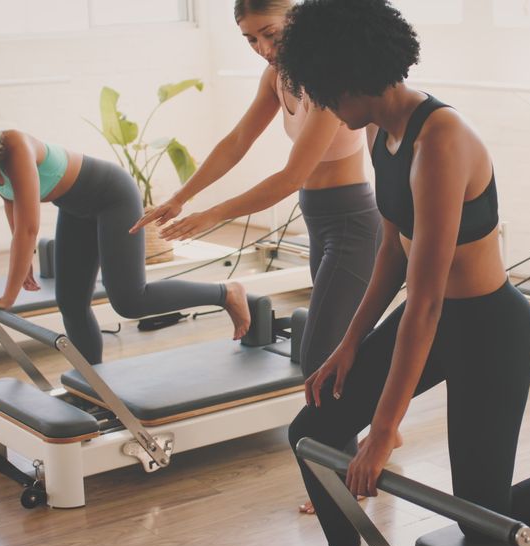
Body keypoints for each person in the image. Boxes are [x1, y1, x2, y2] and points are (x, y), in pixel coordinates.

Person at [277, 0, 530, 546]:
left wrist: (385, 430)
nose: (323, 106)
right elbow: (391, 251)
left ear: (352, 77)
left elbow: (427, 300)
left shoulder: (440, 142)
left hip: (490, 331)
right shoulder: (379, 133)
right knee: (309, 434)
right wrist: (350, 345)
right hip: (438, 321)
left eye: (325, 90)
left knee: (482, 517)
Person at [131, 0, 402, 513]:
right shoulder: (278, 78)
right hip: (322, 221)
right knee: (338, 347)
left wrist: (211, 216)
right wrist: (181, 196)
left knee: (320, 359)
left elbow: (290, 176)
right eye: (250, 40)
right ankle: (376, 432)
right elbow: (236, 142)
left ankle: (343, 483)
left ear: (296, 19)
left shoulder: (325, 80)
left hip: (351, 224)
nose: (262, 48)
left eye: (269, 33)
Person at [0, 100, 251, 364]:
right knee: (71, 303)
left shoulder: (13, 146)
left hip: (112, 196)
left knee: (129, 300)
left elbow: (29, 227)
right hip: (77, 208)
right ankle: (94, 382)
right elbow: (12, 202)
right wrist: (26, 264)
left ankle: (226, 292)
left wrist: (8, 295)